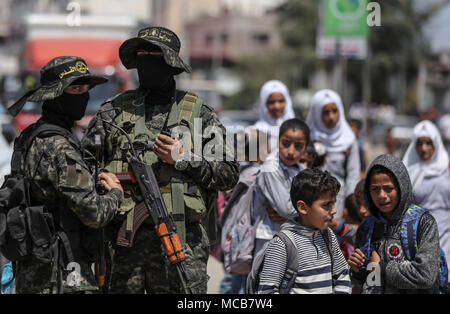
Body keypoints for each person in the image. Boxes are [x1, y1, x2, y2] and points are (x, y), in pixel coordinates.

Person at [81, 26, 239, 294]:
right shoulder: (114, 111)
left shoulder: (199, 115)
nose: (147, 65)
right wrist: (103, 181)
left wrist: (184, 158)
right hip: (123, 249)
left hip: (181, 247)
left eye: (154, 57)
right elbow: (84, 168)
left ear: (171, 65)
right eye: (141, 57)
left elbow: (228, 173)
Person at [5, 56, 124, 294]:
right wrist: (115, 194)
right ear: (56, 95)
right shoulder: (60, 146)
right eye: (75, 89)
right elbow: (94, 214)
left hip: (33, 271)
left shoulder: (29, 136)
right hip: (64, 275)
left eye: (86, 89)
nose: (84, 95)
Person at [348, 154, 442, 294]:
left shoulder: (423, 222)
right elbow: (369, 279)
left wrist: (381, 267)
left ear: (401, 187)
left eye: (388, 188)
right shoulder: (367, 227)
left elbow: (426, 275)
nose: (381, 195)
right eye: (375, 189)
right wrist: (358, 270)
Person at [256, 168, 352, 294]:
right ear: (303, 207)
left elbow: (342, 275)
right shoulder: (282, 244)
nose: (334, 210)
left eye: (334, 203)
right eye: (326, 205)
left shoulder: (328, 236)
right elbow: (266, 290)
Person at [252, 118, 309, 257]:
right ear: (278, 141)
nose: (290, 151)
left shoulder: (301, 169)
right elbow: (286, 209)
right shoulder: (271, 167)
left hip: (293, 234)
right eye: (285, 143)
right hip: (270, 236)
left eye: (298, 146)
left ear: (306, 147)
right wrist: (307, 213)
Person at [402, 120, 450, 281]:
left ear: (436, 144)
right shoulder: (408, 172)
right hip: (420, 237)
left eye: (428, 143)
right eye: (419, 143)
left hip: (447, 235)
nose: (424, 148)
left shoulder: (446, 168)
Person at [306, 89, 361, 219]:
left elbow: (353, 175)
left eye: (334, 111)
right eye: (325, 112)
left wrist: (350, 204)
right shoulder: (307, 137)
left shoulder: (348, 139)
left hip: (338, 205)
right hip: (311, 202)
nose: (331, 117)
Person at [253, 80, 295, 152]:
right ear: (264, 105)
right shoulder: (256, 132)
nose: (277, 106)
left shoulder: (297, 130)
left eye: (281, 101)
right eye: (271, 102)